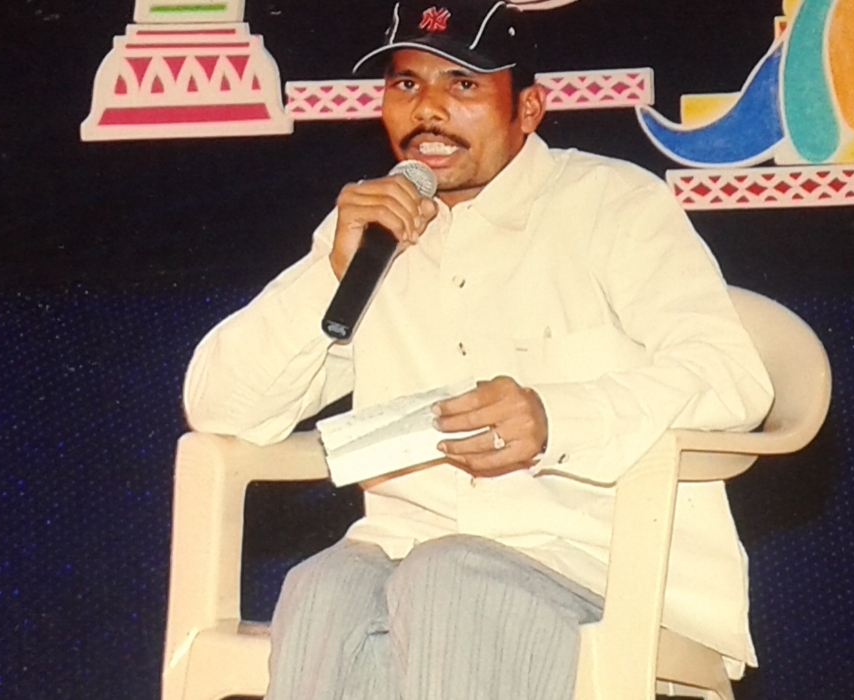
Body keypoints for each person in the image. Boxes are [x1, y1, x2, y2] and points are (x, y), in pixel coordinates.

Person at [183, 1, 774, 698]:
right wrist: (331, 276)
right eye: (407, 84)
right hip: (404, 553)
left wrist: (555, 418)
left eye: (463, 84)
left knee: (448, 577)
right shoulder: (374, 232)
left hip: (599, 564)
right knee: (319, 586)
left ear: (528, 109)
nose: (428, 110)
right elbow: (219, 405)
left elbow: (733, 377)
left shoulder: (612, 203)